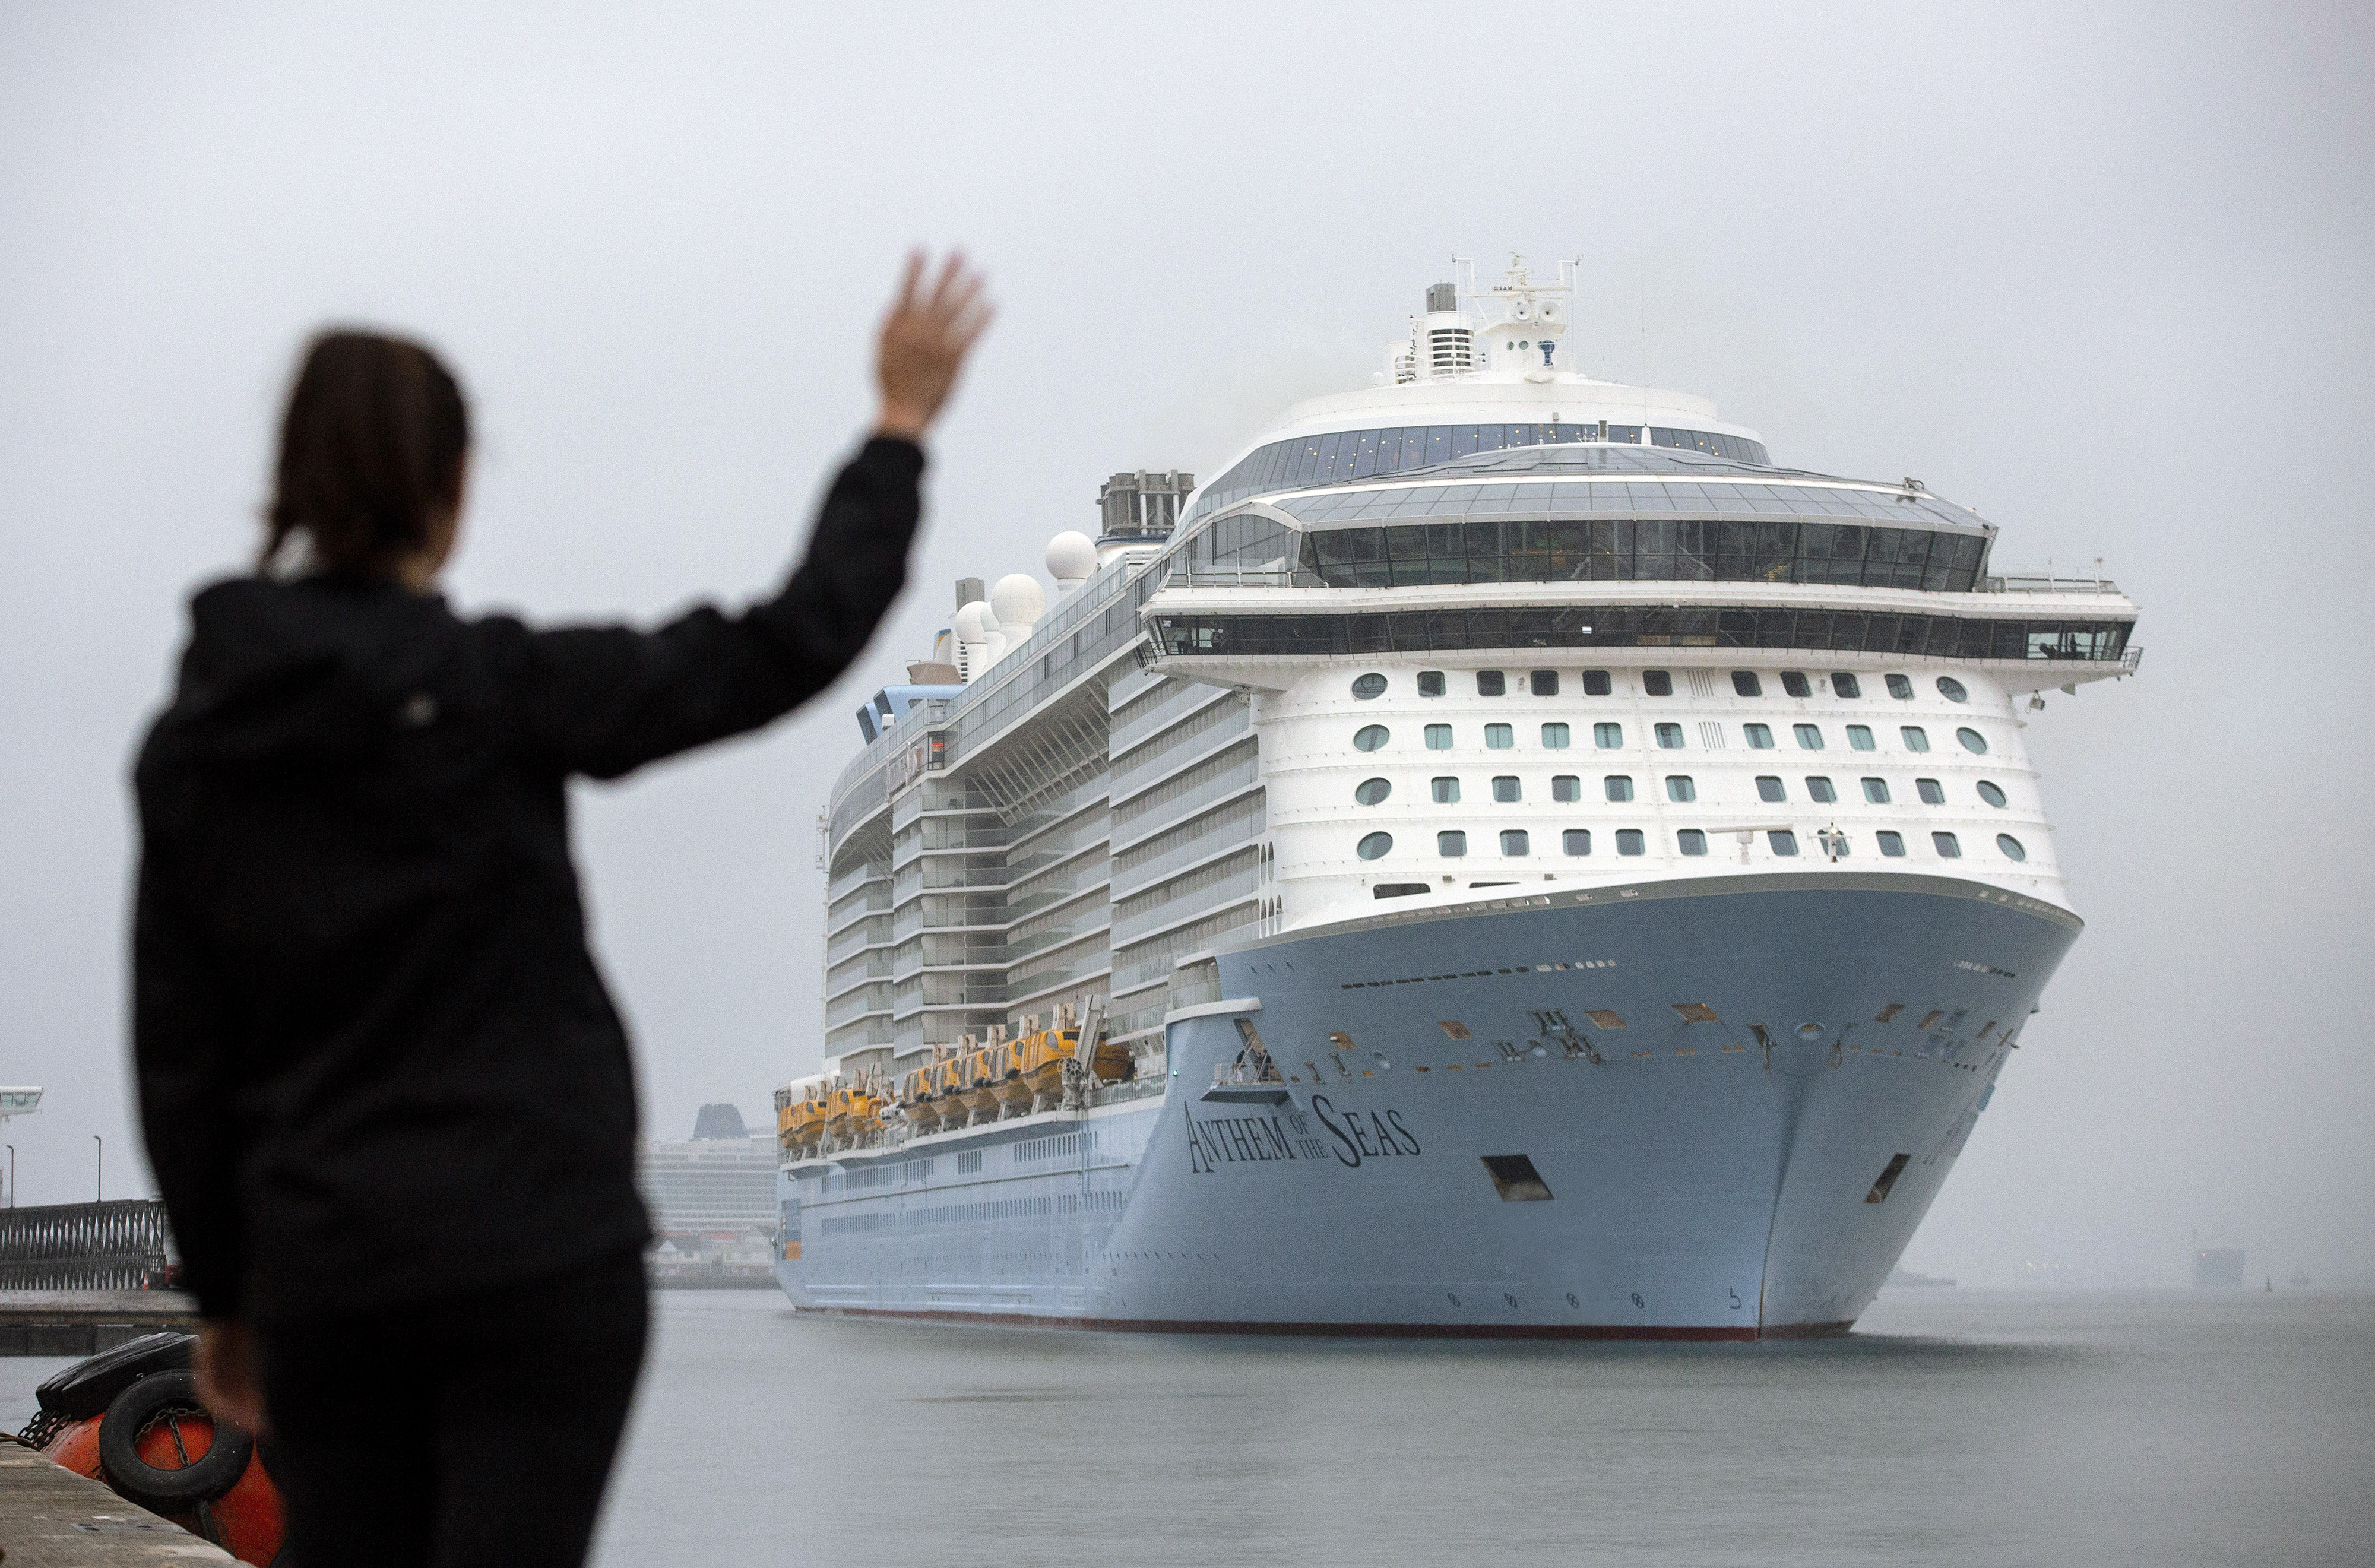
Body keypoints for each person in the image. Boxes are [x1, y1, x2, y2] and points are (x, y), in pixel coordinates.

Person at [131, 253, 989, 1567]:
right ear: (454, 491)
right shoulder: (498, 690)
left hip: (329, 1264)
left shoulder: (194, 751)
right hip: (539, 1252)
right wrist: (897, 430)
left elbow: (181, 1057)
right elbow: (788, 641)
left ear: (289, 487)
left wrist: (230, 1298)